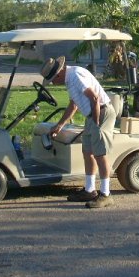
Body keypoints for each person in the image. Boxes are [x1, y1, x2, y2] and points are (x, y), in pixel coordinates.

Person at [44, 56, 116, 209]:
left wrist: (96, 123)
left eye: (52, 80)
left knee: (99, 154)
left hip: (101, 112)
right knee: (87, 151)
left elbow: (94, 98)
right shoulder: (69, 79)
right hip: (92, 114)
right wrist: (60, 124)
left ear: (58, 74)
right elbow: (74, 105)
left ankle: (106, 194)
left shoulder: (76, 75)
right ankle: (90, 190)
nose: (53, 84)